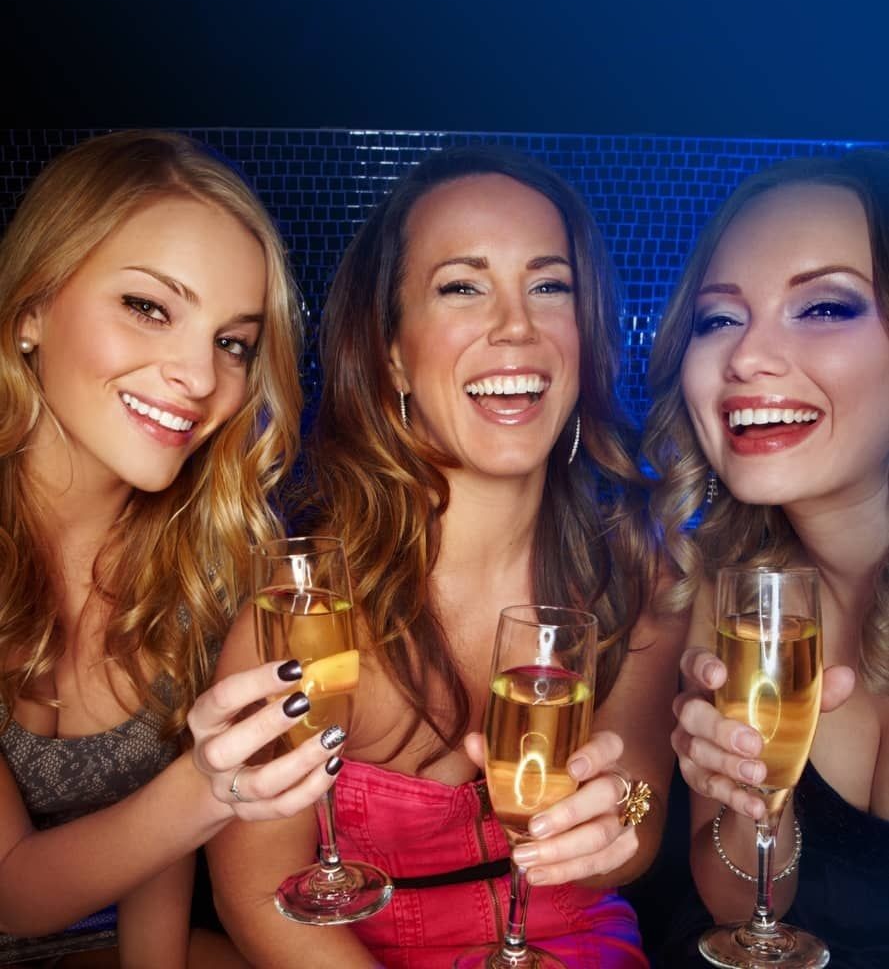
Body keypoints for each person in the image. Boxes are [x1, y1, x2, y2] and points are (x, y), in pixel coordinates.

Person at [208, 145, 687, 967]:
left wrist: (617, 819)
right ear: (392, 351)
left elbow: (635, 835)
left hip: (568, 942)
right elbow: (259, 896)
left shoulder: (641, 572)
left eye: (550, 286)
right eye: (461, 286)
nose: (515, 327)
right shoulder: (308, 608)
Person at [0, 130, 348, 968]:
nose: (199, 377)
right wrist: (207, 785)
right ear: (30, 312)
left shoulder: (209, 552)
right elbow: (10, 890)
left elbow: (154, 860)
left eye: (232, 342)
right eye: (149, 307)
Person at [644, 150, 889, 967]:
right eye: (717, 318)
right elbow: (741, 908)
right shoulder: (726, 592)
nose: (747, 356)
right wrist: (752, 813)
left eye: (823, 307)